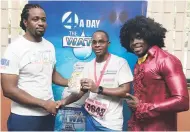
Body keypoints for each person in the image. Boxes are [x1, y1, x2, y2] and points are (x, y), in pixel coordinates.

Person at [1, 4, 68, 131]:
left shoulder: (49, 46)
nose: (41, 23)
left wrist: (73, 82)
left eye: (43, 19)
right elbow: (8, 89)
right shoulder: (14, 49)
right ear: (25, 22)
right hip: (24, 118)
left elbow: (52, 74)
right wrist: (44, 104)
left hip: (47, 115)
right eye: (35, 19)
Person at [120, 15, 189, 131]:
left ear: (149, 37)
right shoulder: (140, 62)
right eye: (131, 39)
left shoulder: (166, 60)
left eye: (138, 37)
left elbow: (182, 101)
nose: (134, 43)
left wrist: (143, 107)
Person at [60, 30, 134, 131]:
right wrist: (63, 102)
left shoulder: (120, 63)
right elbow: (82, 91)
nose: (97, 45)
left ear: (108, 44)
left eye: (101, 42)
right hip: (91, 120)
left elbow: (125, 91)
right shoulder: (89, 65)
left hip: (111, 124)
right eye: (94, 42)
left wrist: (98, 89)